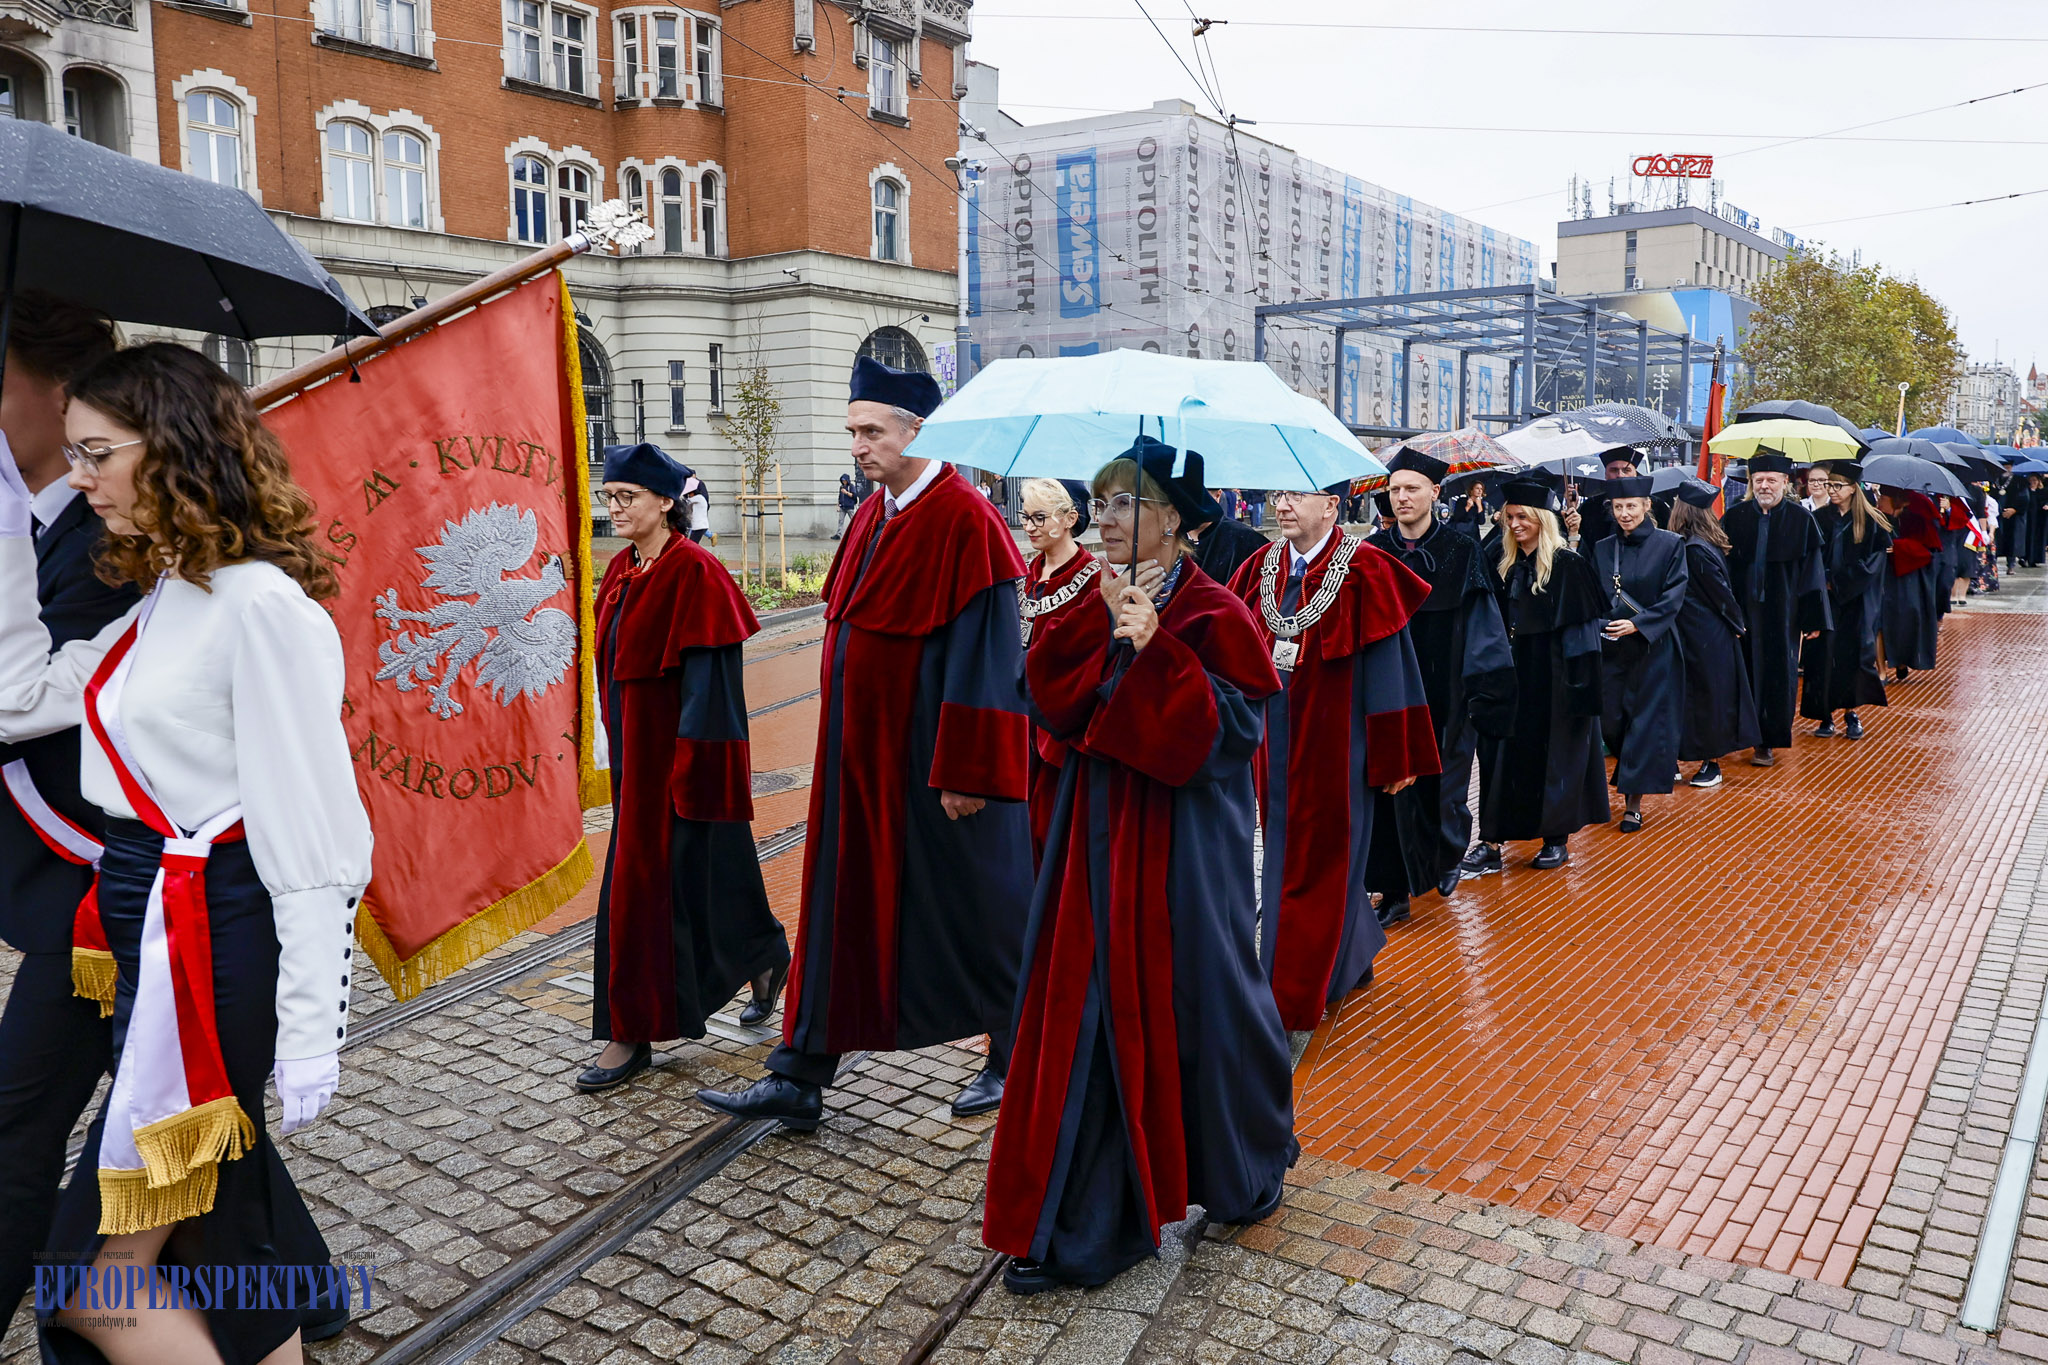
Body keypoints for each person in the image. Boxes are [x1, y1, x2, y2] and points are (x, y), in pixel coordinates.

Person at [0, 343, 370, 1365]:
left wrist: (308, 1032)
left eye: (98, 453)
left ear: (170, 451)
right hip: (148, 922)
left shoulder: (259, 606)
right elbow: (20, 700)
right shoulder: (163, 595)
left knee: (93, 1285)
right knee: (226, 1251)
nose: (79, 477)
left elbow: (317, 837)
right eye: (73, 453)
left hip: (210, 940)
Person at [984, 442, 1294, 1294]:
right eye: (1102, 502)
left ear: (1174, 521)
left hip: (1186, 847)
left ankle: (1242, 1164)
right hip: (1097, 834)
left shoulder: (1218, 610)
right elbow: (1048, 698)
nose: (1106, 519)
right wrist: (1096, 627)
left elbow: (1232, 738)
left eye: (1124, 504)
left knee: (1206, 997)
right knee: (1092, 1008)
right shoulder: (1093, 595)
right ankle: (1092, 1218)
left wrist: (1158, 649)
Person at [697, 356, 1030, 1128]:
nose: (858, 444)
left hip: (936, 769)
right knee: (837, 909)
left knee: (978, 913)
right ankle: (801, 1071)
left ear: (920, 431)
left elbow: (989, 663)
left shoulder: (966, 519)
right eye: (852, 430)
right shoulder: (873, 514)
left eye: (871, 430)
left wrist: (967, 770)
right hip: (860, 763)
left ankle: (1016, 1051)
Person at [0, 292, 135, 1324]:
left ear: (56, 392)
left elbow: (19, 703)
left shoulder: (109, 549)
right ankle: (292, 1280)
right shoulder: (52, 524)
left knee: (19, 1119)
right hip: (54, 872)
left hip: (99, 880)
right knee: (193, 1113)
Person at [582, 443, 789, 1094]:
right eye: (609, 496)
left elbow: (713, 691)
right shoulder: (619, 571)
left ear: (665, 503)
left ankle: (632, 1030)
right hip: (634, 768)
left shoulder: (695, 574)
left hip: (680, 767)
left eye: (627, 497)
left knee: (658, 891)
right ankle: (765, 953)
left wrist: (692, 775)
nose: (614, 507)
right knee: (715, 877)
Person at [1226, 475, 1437, 1028]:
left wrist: (1397, 755)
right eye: (1278, 494)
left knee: (1320, 864)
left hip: (1339, 745)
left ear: (1332, 504)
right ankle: (1352, 953)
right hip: (1270, 745)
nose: (1282, 503)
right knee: (1281, 855)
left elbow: (1393, 668)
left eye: (1296, 493)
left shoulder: (1366, 568)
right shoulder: (1258, 568)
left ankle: (1291, 988)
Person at [1364, 450, 1516, 908]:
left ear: (1434, 493)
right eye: (1394, 490)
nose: (1402, 498)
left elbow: (1483, 623)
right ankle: (1394, 889)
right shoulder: (1374, 553)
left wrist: (1485, 690)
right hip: (1389, 691)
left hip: (1447, 687)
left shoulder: (1462, 549)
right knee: (1389, 790)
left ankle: (1447, 853)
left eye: (1411, 489)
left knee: (1445, 785)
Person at [1468, 479, 1608, 873]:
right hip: (1507, 676)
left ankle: (1555, 838)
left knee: (1553, 759)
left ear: (1542, 520)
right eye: (1509, 516)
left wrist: (1581, 694)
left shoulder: (1569, 566)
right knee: (1497, 759)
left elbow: (1583, 638)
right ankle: (1492, 842)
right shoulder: (1500, 559)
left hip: (1553, 680)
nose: (1514, 524)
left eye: (1523, 517)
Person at [1589, 475, 1688, 832]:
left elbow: (1674, 594)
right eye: (1618, 507)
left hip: (1653, 647)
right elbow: (1593, 595)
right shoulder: (1601, 548)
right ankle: (1626, 774)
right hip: (1611, 649)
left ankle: (1633, 802)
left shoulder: (1671, 545)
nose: (1625, 513)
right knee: (1612, 720)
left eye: (1631, 506)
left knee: (1644, 726)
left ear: (1646, 506)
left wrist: (1640, 624)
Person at [1722, 450, 1830, 767]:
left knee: (1778, 675)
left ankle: (1767, 741)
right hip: (1743, 610)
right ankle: (1741, 733)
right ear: (1751, 483)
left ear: (1785, 482)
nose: (1765, 486)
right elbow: (1722, 568)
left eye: (1771, 480)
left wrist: (1813, 617)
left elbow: (1813, 573)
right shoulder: (1735, 517)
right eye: (1759, 480)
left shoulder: (1802, 520)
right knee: (1742, 672)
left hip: (1784, 613)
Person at [1018, 477, 1099, 856]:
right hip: (1015, 726)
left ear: (1069, 518)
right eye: (1025, 517)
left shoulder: (1096, 579)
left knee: (1056, 834)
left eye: (1039, 517)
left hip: (1060, 734)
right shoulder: (1022, 577)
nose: (1030, 527)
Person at [1667, 487, 1759, 788]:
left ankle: (1711, 763)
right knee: (1699, 698)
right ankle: (1691, 758)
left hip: (1704, 634)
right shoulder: (1704, 544)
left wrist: (1737, 624)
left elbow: (1720, 594)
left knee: (1706, 698)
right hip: (1703, 634)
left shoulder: (1694, 549)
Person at [1799, 463, 1890, 739]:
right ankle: (1824, 716)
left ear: (1853, 488)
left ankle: (1851, 713)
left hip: (1856, 602)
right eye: (1829, 485)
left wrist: (1839, 582)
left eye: (1837, 486)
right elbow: (1810, 557)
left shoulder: (1871, 522)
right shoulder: (1819, 519)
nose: (1832, 491)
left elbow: (1874, 565)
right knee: (1821, 657)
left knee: (1852, 658)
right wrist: (1821, 581)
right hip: (1824, 601)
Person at [1879, 486, 1943, 682]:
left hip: (1913, 575)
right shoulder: (1881, 514)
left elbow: (1930, 547)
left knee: (1908, 616)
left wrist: (1898, 547)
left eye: (1883, 498)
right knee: (1880, 619)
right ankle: (1881, 669)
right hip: (1886, 572)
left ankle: (1902, 660)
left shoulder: (1919, 508)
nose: (1878, 502)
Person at [1186, 471, 1269, 587]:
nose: (1191, 502)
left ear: (1217, 495)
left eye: (1199, 495)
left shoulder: (1246, 540)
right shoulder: (1166, 537)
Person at [682, 474, 711, 544]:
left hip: (699, 526)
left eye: (689, 494)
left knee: (692, 544)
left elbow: (686, 502)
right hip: (696, 526)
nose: (689, 496)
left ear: (693, 492)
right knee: (692, 544)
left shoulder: (698, 498)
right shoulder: (696, 499)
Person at [835, 471, 858, 539]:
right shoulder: (841, 487)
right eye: (842, 480)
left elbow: (853, 495)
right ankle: (838, 534)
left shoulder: (851, 486)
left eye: (845, 480)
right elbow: (840, 496)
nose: (844, 482)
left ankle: (856, 533)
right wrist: (838, 504)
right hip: (842, 506)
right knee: (840, 520)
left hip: (850, 506)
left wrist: (846, 492)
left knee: (853, 520)